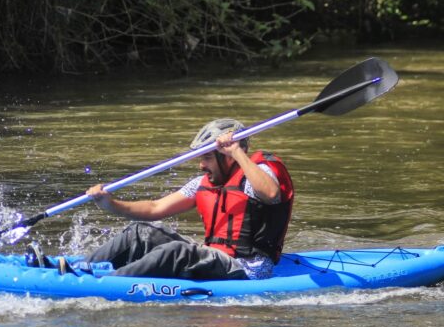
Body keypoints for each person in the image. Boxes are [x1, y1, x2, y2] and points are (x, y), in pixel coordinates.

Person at [29, 118, 294, 280]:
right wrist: (109, 203)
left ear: (228, 155)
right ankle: (80, 268)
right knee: (141, 233)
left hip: (247, 268)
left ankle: (106, 282)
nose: (201, 166)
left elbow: (271, 194)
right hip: (215, 255)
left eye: (207, 157)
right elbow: (156, 208)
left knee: (176, 252)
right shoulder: (203, 183)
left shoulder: (256, 174)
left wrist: (237, 151)